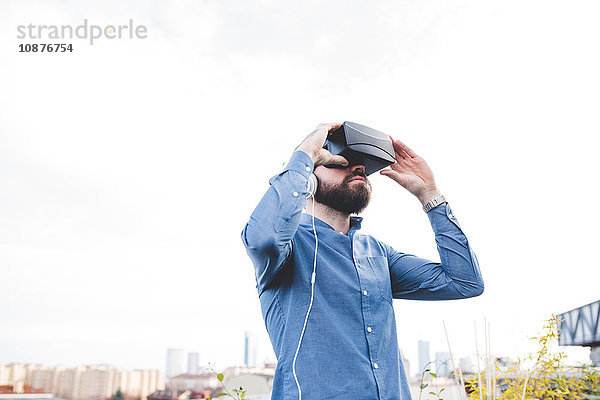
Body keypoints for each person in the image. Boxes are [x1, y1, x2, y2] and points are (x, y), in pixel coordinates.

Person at [240, 122, 484, 400]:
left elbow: (465, 283)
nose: (357, 168)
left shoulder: (377, 253)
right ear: (309, 179)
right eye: (340, 161)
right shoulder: (287, 247)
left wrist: (429, 195)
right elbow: (261, 238)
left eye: (363, 167)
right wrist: (305, 153)